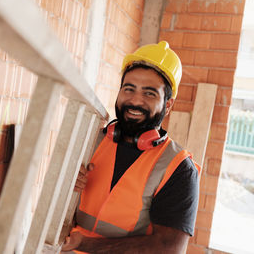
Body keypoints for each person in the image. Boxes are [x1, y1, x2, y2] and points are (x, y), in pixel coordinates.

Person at [62, 41, 201, 253]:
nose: (135, 101)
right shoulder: (91, 141)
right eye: (129, 89)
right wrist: (65, 184)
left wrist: (85, 244)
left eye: (149, 93)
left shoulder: (178, 168)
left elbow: (167, 248)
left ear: (168, 104)